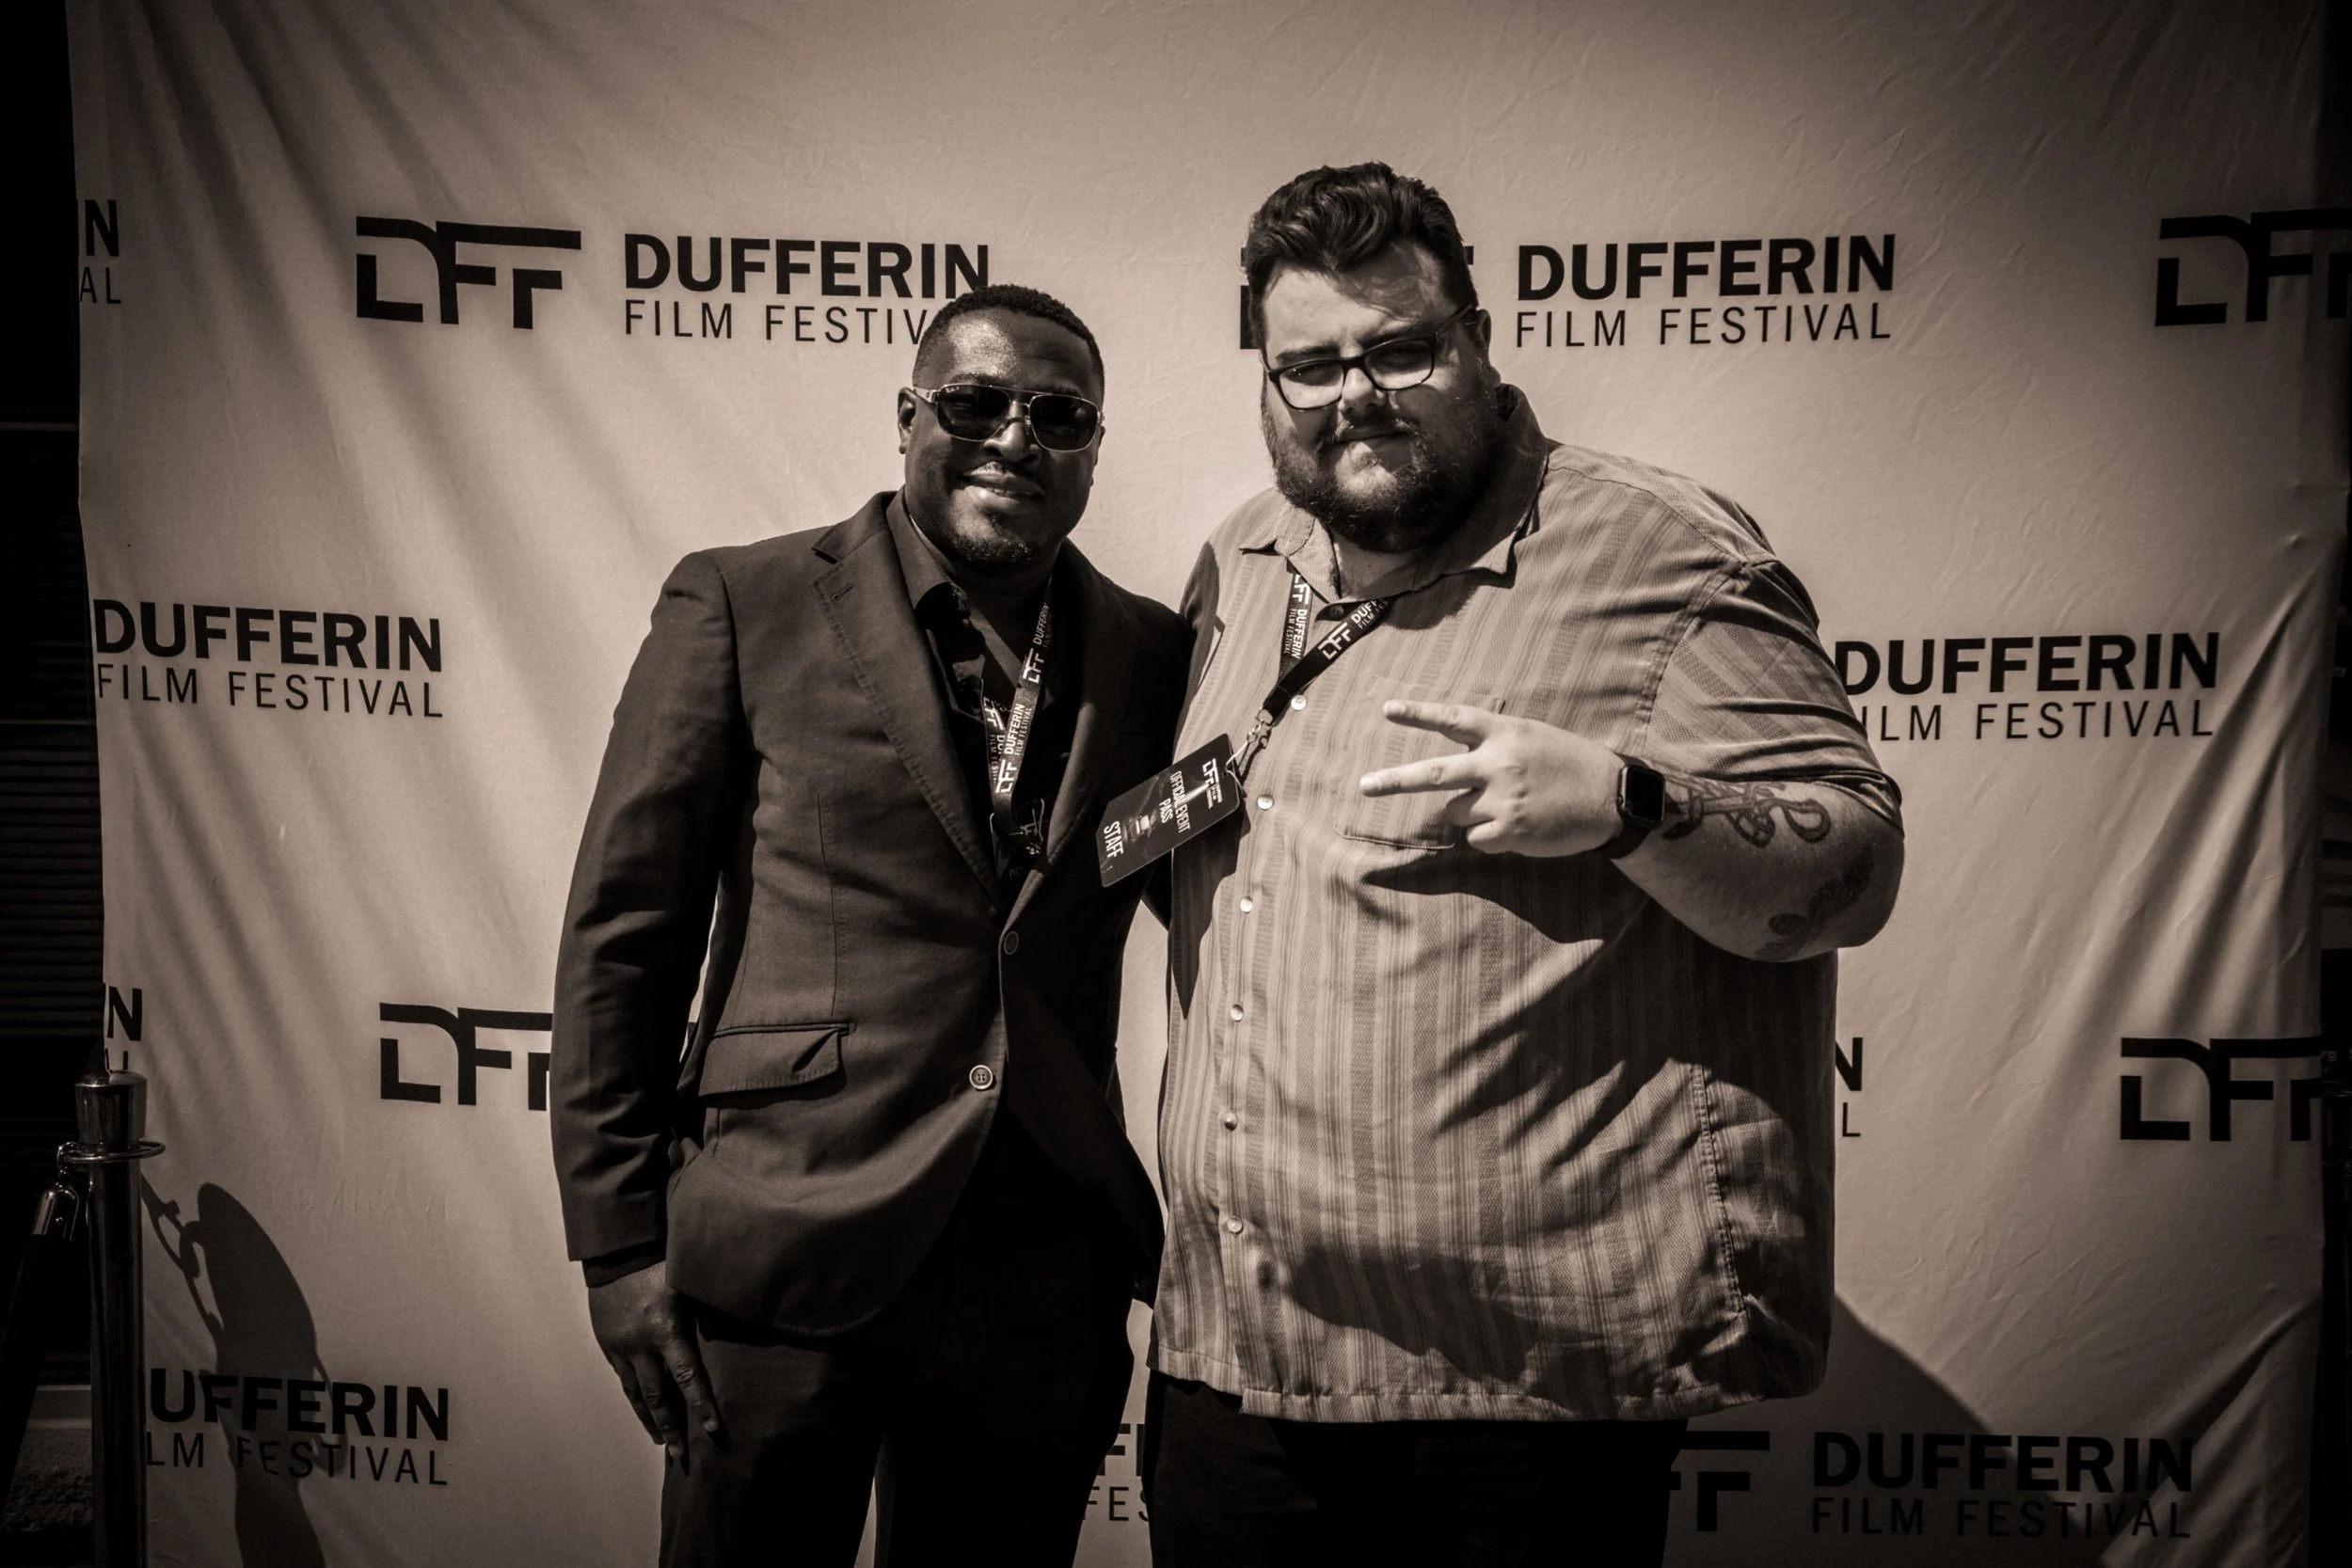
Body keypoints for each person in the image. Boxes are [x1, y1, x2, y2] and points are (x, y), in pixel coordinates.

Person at [1142, 164, 1905, 1566]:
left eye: (1400, 349)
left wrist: (1628, 804)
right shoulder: (1242, 557)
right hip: (1236, 1358)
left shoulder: (1660, 554)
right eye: (1309, 365)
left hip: (1515, 1397)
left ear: (1480, 341)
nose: (1355, 396)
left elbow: (1859, 861)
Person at [548, 283, 1187, 1567]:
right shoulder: (744, 602)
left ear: (1094, 447)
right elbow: (627, 934)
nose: (1016, 438)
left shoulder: (1154, 652)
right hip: (784, 1248)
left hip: (1041, 1267)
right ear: (908, 416)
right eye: (975, 403)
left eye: (1059, 416)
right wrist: (617, 1247)